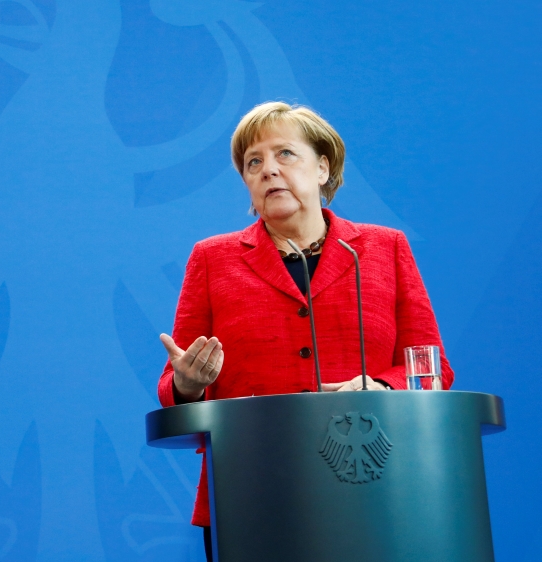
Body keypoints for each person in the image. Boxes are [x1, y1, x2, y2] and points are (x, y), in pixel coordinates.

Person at [156, 101, 453, 560]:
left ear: (322, 167)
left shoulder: (382, 248)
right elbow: (176, 380)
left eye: (284, 155)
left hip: (375, 481)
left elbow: (431, 369)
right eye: (253, 162)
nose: (268, 170)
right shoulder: (212, 259)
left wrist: (378, 386)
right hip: (253, 486)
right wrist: (187, 383)